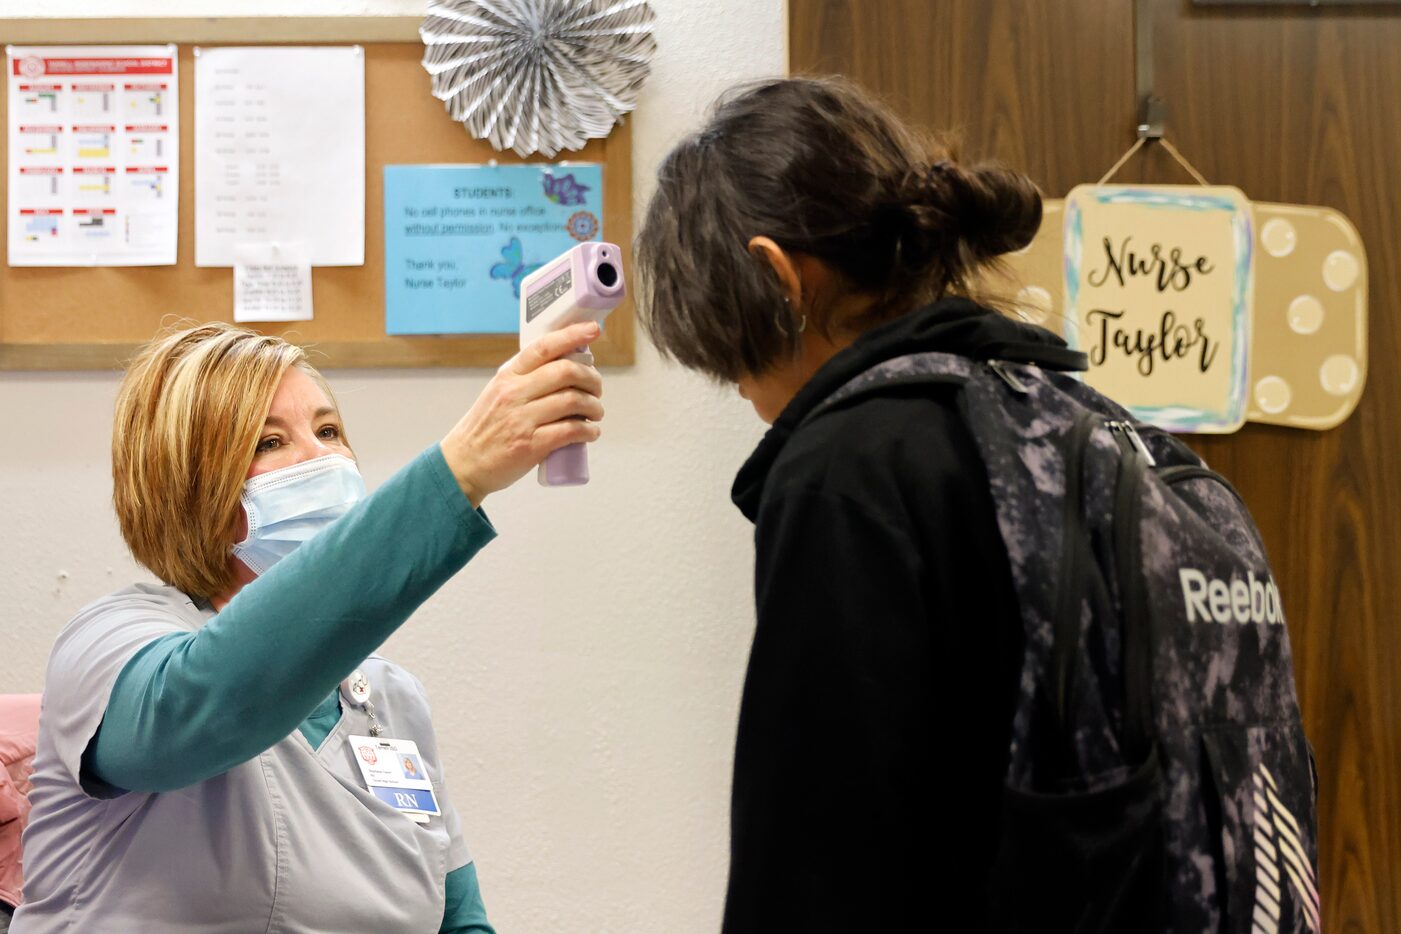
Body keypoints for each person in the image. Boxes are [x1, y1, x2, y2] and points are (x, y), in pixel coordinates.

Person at [12, 320, 604, 932]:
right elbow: (202, 705)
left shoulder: (391, 699)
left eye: (328, 430)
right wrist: (463, 470)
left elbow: (457, 919)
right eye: (270, 443)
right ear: (190, 488)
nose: (323, 457)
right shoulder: (109, 641)